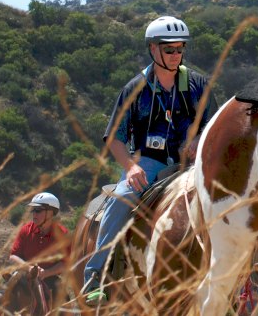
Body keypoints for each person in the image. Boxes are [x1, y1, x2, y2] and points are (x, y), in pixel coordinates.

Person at [81, 15, 218, 305]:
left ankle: (246, 275)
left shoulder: (197, 85)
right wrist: (130, 168)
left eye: (180, 48)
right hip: (149, 163)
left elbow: (213, 126)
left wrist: (199, 138)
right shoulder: (134, 89)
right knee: (120, 199)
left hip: (191, 164)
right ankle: (97, 277)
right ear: (153, 49)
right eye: (169, 49)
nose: (176, 54)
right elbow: (114, 138)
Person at [0, 192, 70, 316]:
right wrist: (29, 268)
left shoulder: (63, 234)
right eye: (33, 210)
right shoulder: (26, 230)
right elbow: (13, 256)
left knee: (67, 309)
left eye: (38, 210)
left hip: (49, 278)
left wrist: (46, 273)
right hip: (21, 276)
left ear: (50, 213)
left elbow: (65, 263)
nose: (34, 213)